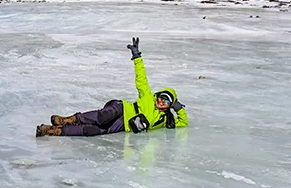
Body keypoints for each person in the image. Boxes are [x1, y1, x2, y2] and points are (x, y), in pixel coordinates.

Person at [36, 37, 187, 137]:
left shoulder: (166, 120)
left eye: (166, 101)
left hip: (124, 125)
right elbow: (142, 78)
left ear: (169, 105)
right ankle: (68, 119)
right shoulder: (148, 96)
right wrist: (137, 57)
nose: (161, 102)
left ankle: (53, 130)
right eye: (161, 98)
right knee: (102, 117)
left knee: (93, 130)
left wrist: (178, 108)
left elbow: (183, 122)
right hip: (122, 109)